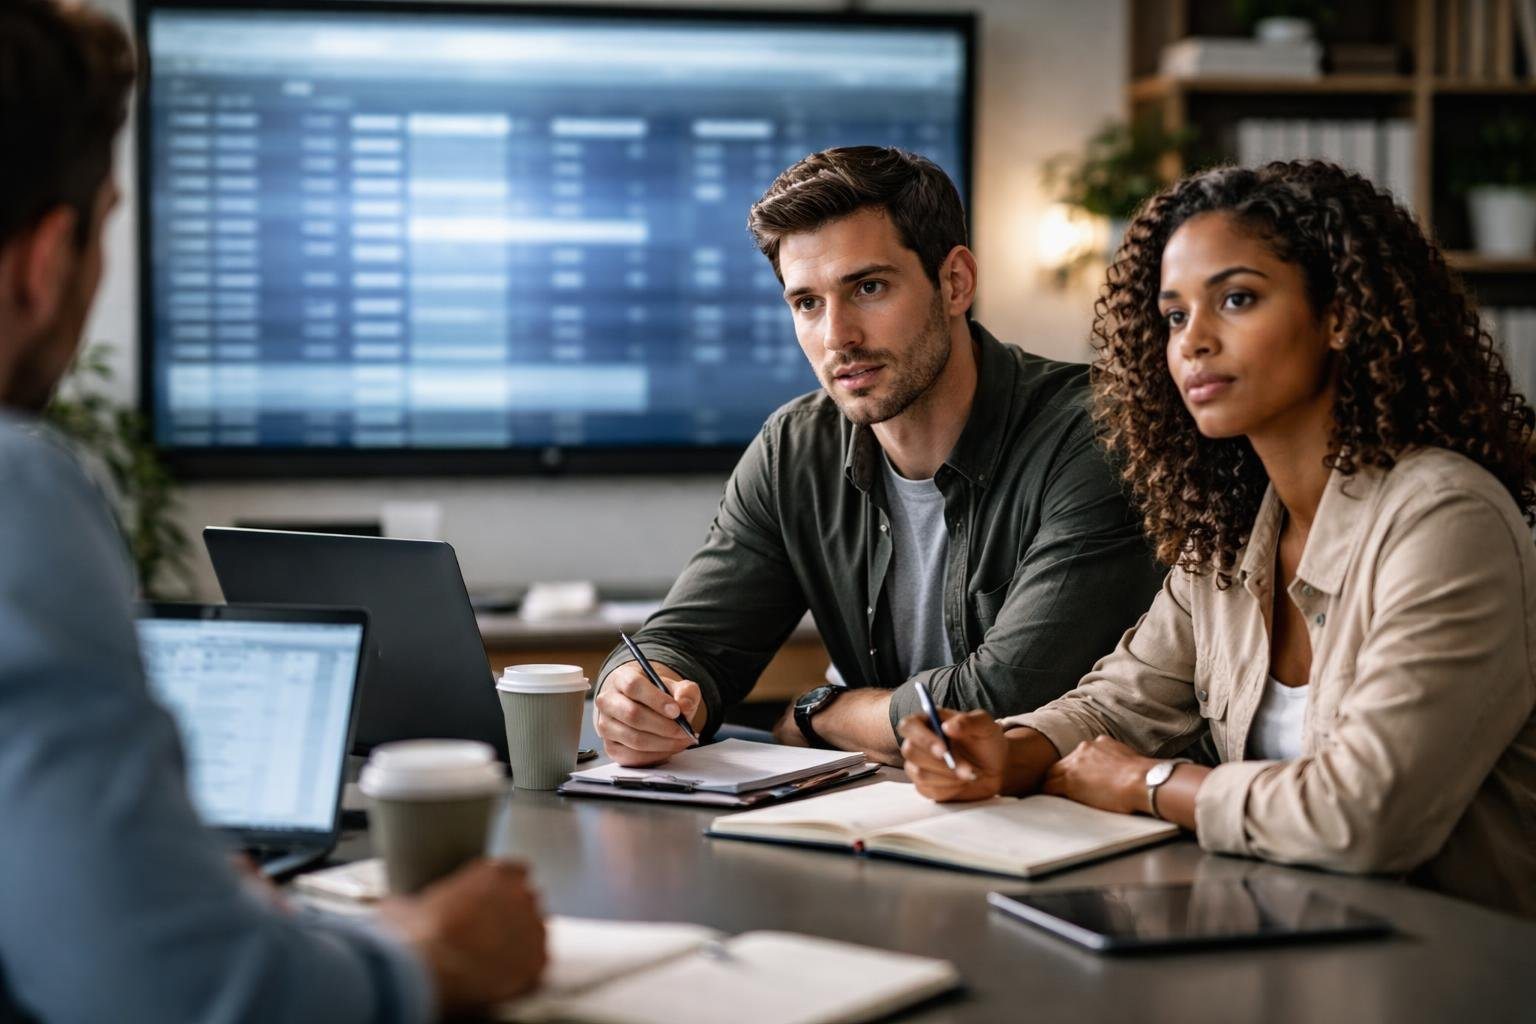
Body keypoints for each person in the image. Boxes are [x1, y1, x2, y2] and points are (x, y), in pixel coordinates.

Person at [0, 3, 546, 1019]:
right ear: (44, 262)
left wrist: (173, 894)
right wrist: (426, 959)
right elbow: (176, 990)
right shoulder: (15, 495)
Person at [898, 160, 1536, 916]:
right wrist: (1008, 751)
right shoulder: (1233, 536)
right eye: (1174, 316)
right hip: (1285, 942)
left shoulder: (1446, 520)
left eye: (1236, 299)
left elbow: (1365, 818)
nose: (1193, 342)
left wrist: (1151, 784)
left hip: (1450, 968)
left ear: (1341, 314)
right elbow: (1116, 706)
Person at [594, 146, 1165, 767]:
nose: (837, 336)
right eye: (807, 303)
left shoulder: (1095, 432)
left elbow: (1001, 704)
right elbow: (688, 643)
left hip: (1074, 826)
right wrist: (639, 694)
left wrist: (824, 711)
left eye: (868, 287)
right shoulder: (795, 450)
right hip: (889, 817)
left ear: (955, 283)